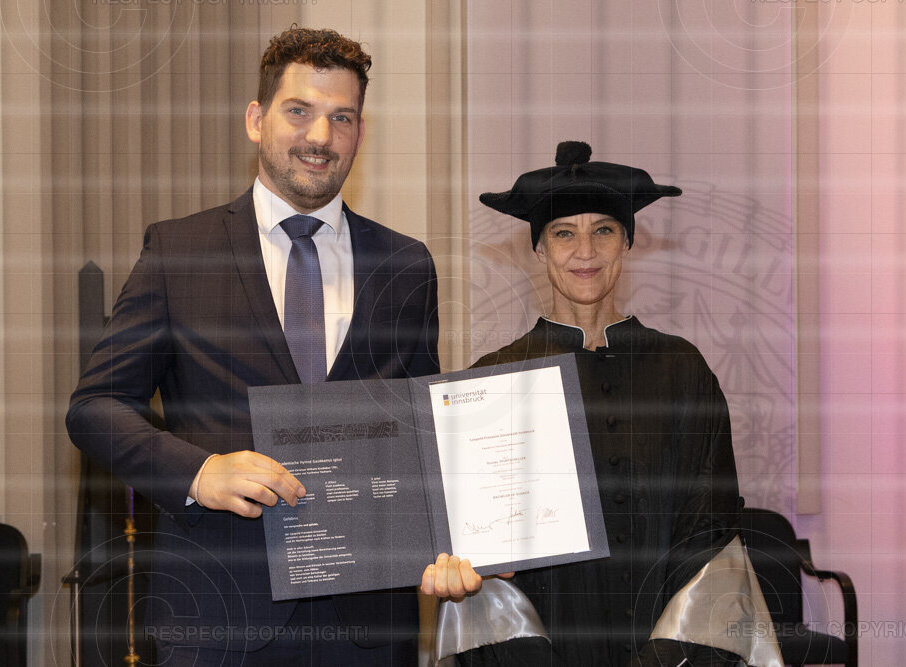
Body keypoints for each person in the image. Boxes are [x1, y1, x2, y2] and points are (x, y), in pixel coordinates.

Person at [66, 28, 439, 666]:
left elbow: (423, 428)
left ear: (360, 132)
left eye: (341, 117)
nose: (320, 136)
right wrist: (198, 473)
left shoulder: (405, 264)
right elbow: (94, 408)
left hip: (370, 624)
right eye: (298, 111)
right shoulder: (180, 254)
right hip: (219, 617)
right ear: (256, 119)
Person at [421, 141, 782, 666]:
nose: (585, 252)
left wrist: (662, 658)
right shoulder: (493, 380)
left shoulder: (682, 370)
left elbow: (709, 529)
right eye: (564, 233)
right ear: (539, 249)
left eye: (604, 231)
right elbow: (483, 553)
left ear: (627, 243)